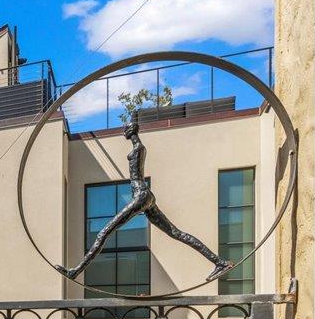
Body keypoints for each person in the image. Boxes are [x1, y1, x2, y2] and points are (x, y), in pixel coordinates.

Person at [57, 113, 233, 283]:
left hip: (140, 194)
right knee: (176, 233)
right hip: (145, 195)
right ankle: (219, 262)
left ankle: (75, 271)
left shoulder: (138, 148)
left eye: (125, 129)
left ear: (132, 130)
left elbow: (137, 173)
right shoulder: (138, 148)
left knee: (103, 233)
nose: (123, 132)